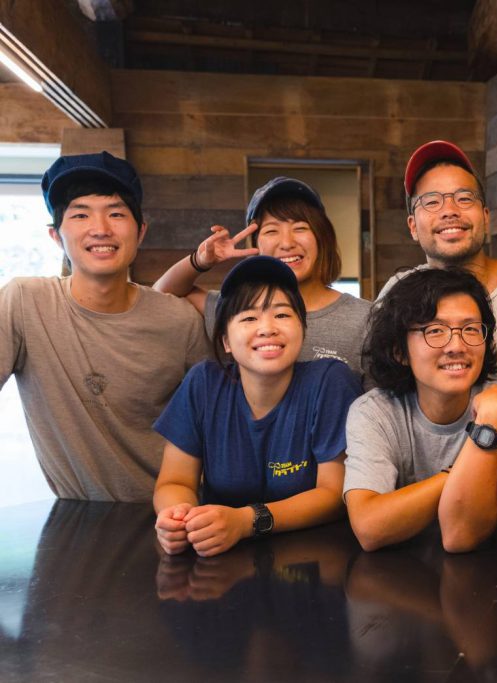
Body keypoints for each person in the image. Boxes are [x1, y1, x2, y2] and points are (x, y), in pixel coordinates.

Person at [0, 152, 209, 501]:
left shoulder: (180, 320)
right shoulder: (25, 302)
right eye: (80, 214)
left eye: (116, 214)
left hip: (176, 513)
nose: (100, 228)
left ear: (140, 232)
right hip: (79, 521)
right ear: (55, 236)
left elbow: (218, 419)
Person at [153, 255, 361, 557]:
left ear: (302, 330)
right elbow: (175, 480)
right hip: (218, 556)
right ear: (225, 339)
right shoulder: (204, 384)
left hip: (313, 557)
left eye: (282, 315)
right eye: (249, 318)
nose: (267, 328)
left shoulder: (329, 381)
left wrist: (245, 521)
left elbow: (333, 494)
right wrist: (179, 517)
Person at [344, 267, 497, 552]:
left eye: (470, 329)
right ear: (400, 351)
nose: (457, 345)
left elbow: (461, 535)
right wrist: (487, 464)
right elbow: (369, 527)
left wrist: (489, 423)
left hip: (495, 573)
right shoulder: (374, 413)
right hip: (396, 575)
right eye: (435, 331)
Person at [377, 140, 497, 413]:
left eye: (463, 198)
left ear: (485, 217)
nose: (450, 210)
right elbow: (379, 388)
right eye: (432, 201)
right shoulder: (397, 293)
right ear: (413, 226)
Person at [154, 176, 370, 380]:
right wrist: (200, 261)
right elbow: (159, 294)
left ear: (322, 237)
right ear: (255, 245)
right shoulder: (240, 309)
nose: (287, 243)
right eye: (271, 231)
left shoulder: (365, 318)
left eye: (300, 228)